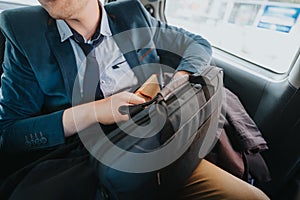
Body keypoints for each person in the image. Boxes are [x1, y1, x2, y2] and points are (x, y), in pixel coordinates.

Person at [0, 0, 269, 199]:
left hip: (154, 144)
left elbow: (197, 44)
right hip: (80, 163)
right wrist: (95, 111)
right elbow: (11, 133)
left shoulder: (132, 13)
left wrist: (178, 80)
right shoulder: (24, 31)